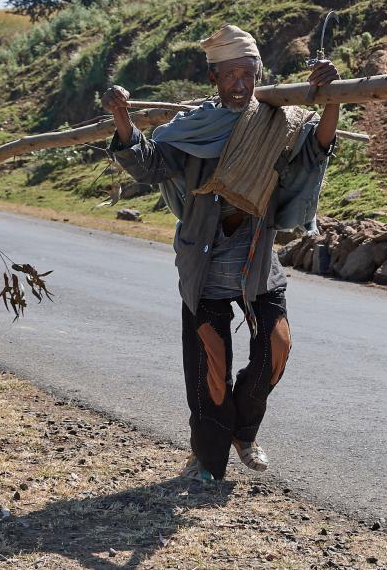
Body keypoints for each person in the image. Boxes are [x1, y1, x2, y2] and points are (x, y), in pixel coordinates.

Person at [101, 25, 340, 481]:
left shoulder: (276, 121)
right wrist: (123, 118)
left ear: (258, 74)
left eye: (247, 74)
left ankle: (243, 434)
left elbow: (316, 151)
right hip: (204, 265)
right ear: (214, 79)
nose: (239, 84)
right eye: (229, 75)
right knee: (210, 371)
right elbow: (149, 164)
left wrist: (331, 97)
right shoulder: (193, 129)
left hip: (258, 263)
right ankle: (207, 461)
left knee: (277, 348)